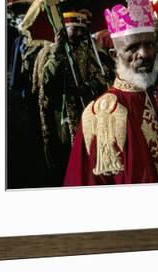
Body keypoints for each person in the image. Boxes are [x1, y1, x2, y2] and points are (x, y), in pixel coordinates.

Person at [64, 0, 158, 185]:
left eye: (149, 44)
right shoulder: (103, 114)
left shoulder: (154, 94)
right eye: (133, 47)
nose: (144, 54)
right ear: (115, 55)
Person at [32, 11, 113, 186]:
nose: (78, 34)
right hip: (59, 116)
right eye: (73, 29)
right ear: (62, 30)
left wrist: (88, 87)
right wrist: (58, 54)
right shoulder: (48, 52)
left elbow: (103, 77)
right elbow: (45, 83)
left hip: (85, 113)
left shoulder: (90, 51)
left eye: (81, 30)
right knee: (62, 157)